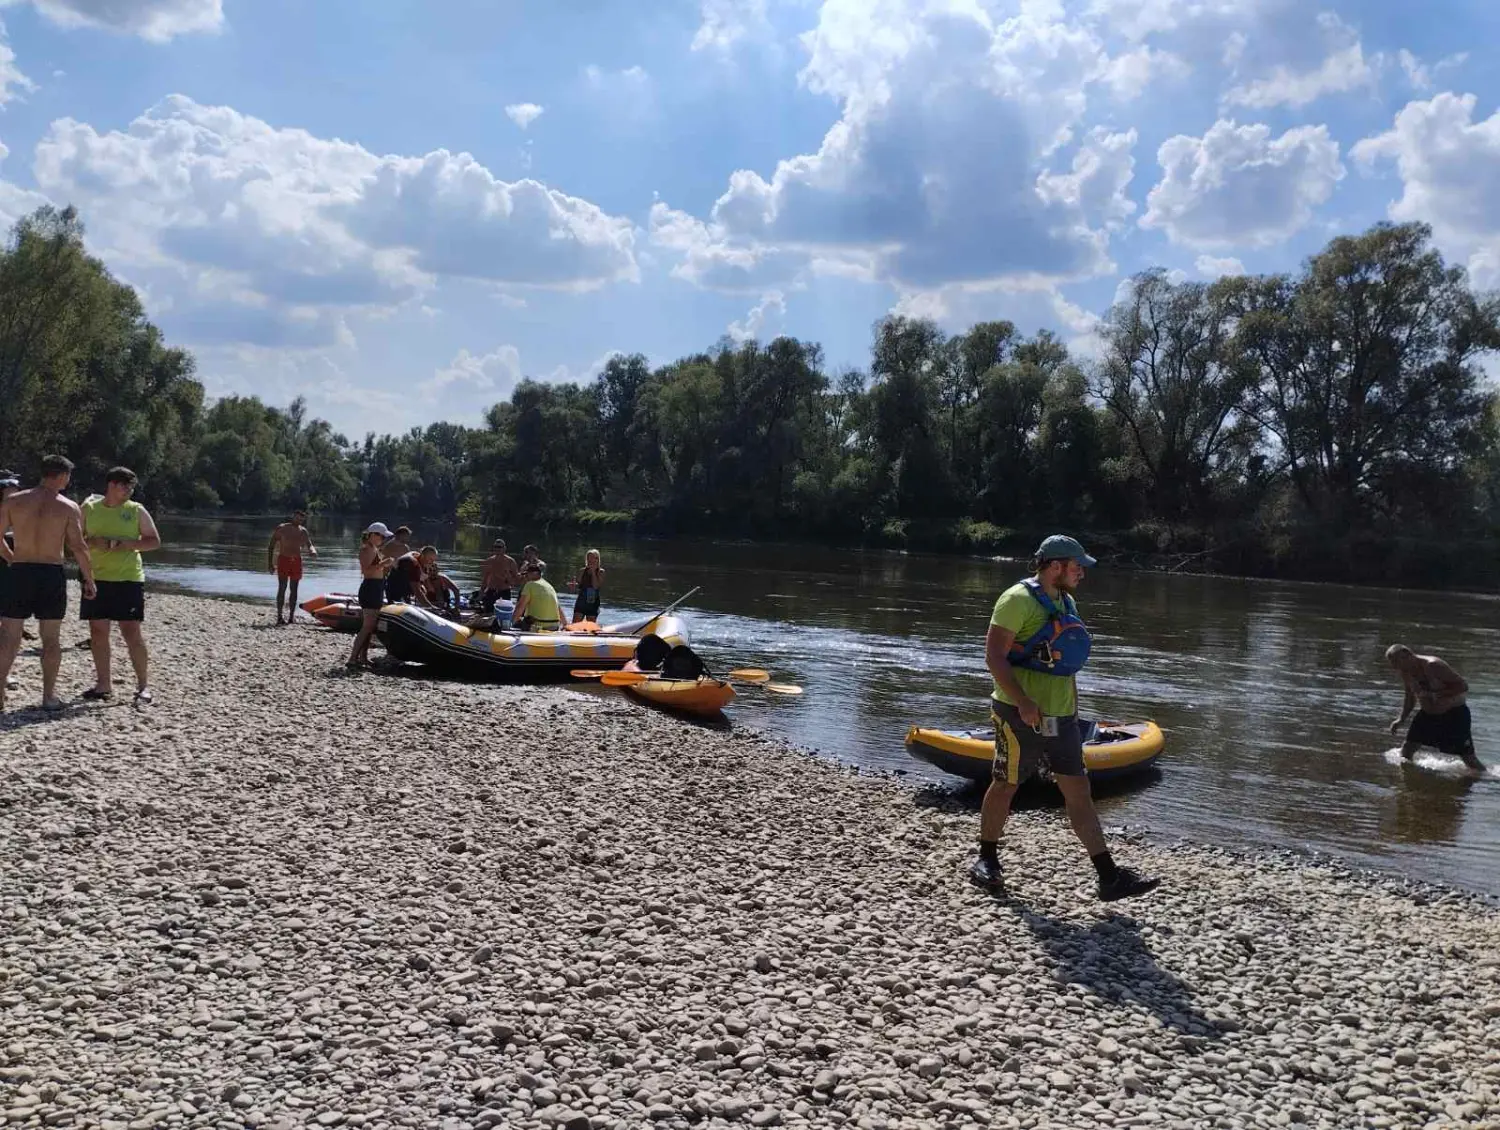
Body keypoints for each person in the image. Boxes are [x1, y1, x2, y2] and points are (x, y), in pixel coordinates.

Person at [970, 534, 1159, 901]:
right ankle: (986, 859)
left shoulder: (1066, 601)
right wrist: (1023, 701)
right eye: (1077, 567)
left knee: (1079, 792)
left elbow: (1064, 663)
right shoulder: (1016, 600)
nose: (1081, 573)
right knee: (1006, 784)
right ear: (1055, 566)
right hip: (1018, 713)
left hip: (1063, 716)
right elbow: (994, 657)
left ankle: (1109, 877)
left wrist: (1073, 708)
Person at [0, 455, 96, 713]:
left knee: (9, 635)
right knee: (51, 637)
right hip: (50, 573)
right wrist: (89, 578)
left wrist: (11, 558)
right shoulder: (68, 507)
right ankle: (48, 696)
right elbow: (78, 546)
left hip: (20, 571)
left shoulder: (14, 501)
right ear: (63, 476)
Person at [80, 467, 161, 705]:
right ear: (111, 485)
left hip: (128, 579)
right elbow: (73, 541)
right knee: (98, 632)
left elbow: (154, 541)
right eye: (124, 485)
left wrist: (124, 544)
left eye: (131, 487)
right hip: (95, 577)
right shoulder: (89, 509)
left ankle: (143, 686)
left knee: (131, 631)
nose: (129, 490)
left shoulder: (136, 510)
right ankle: (103, 685)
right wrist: (91, 541)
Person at [1387, 644, 1486, 772]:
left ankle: (1488, 779)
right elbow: (1410, 697)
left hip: (1454, 715)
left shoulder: (1433, 665)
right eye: (1393, 664)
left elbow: (1463, 686)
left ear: (1407, 654)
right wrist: (1401, 719)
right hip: (1427, 715)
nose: (1396, 667)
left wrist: (1435, 694)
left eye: (1397, 662)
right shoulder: (1405, 671)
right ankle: (1408, 780)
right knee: (1407, 750)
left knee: (1469, 759)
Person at [347, 523, 395, 671]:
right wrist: (384, 563)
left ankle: (363, 657)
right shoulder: (366, 549)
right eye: (381, 536)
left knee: (370, 626)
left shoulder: (373, 548)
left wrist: (383, 564)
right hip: (370, 588)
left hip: (376, 587)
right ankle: (352, 658)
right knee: (367, 625)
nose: (383, 539)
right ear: (373, 535)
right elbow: (367, 571)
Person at [267, 509, 317, 625]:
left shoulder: (303, 531)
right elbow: (271, 546)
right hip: (283, 559)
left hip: (296, 561)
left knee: (294, 589)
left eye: (301, 519)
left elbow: (309, 544)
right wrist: (270, 564)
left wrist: (312, 551)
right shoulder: (282, 528)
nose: (299, 520)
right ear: (293, 516)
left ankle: (291, 617)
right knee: (282, 587)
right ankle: (279, 616)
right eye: (297, 518)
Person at [0, 470, 19, 693]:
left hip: (12, 575)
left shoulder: (18, 514)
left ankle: (5, 672)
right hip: (8, 569)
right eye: (10, 492)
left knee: (10, 626)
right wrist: (14, 561)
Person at [514, 561, 563, 631]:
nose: (525, 577)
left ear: (534, 574)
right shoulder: (549, 586)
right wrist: (565, 624)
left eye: (526, 575)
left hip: (538, 626)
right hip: (555, 626)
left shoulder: (529, 585)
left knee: (517, 622)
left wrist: (512, 623)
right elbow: (559, 609)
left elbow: (520, 607)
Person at [479, 539, 521, 611]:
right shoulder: (489, 561)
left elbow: (516, 579)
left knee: (503, 612)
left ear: (504, 548)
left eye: (499, 547)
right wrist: (481, 591)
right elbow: (485, 578)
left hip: (504, 591)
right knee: (488, 612)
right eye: (495, 547)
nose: (497, 549)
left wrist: (508, 578)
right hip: (491, 590)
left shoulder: (510, 561)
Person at [569, 548, 605, 625]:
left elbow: (595, 586)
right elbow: (579, 586)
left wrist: (593, 572)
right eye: (589, 558)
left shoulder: (600, 572)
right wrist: (573, 586)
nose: (590, 560)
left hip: (593, 602)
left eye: (593, 558)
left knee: (590, 626)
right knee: (575, 624)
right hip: (581, 601)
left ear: (597, 559)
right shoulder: (582, 571)